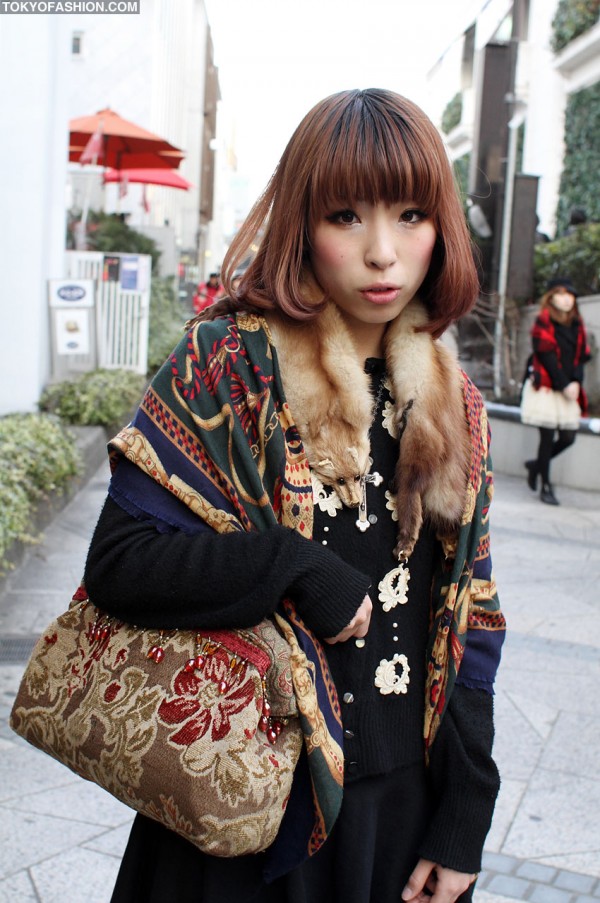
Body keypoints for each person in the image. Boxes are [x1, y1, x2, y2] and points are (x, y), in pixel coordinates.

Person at [83, 89, 506, 903]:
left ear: (441, 227)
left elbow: (472, 621)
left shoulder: (456, 402)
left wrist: (463, 820)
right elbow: (122, 561)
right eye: (346, 215)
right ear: (302, 225)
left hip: (395, 816)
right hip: (239, 802)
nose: (382, 252)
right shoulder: (227, 365)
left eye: (411, 215)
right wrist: (288, 564)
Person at [521, 276, 591, 505]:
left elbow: (580, 357)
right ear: (551, 297)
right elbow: (546, 356)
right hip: (548, 387)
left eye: (570, 294)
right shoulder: (543, 321)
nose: (567, 299)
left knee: (569, 437)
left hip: (569, 386)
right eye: (561, 294)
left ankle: (535, 466)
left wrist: (577, 382)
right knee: (548, 436)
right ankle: (546, 486)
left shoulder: (577, 324)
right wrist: (564, 384)